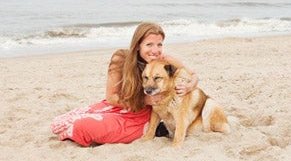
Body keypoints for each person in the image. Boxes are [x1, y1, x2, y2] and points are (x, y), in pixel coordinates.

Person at [51, 22, 199, 146]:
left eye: (159, 44)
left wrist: (189, 86)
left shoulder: (164, 60)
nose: (155, 50)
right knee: (64, 121)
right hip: (118, 105)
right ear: (137, 46)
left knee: (81, 127)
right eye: (149, 44)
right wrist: (144, 100)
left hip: (139, 118)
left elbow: (193, 75)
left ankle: (156, 129)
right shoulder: (121, 59)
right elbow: (111, 98)